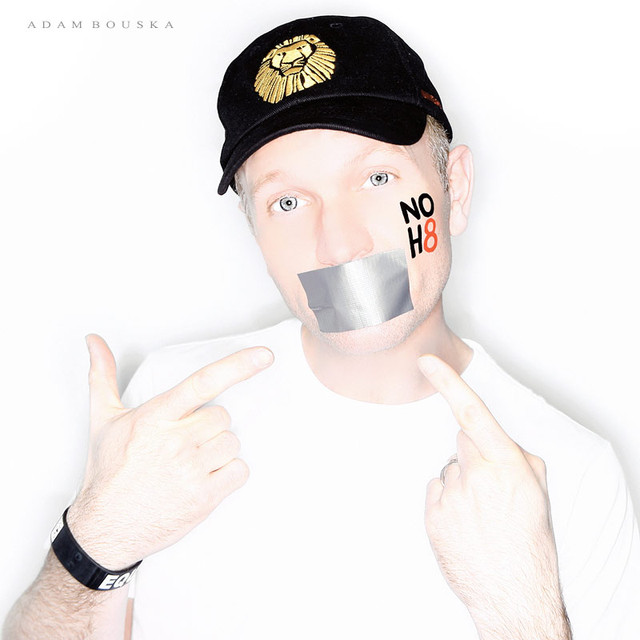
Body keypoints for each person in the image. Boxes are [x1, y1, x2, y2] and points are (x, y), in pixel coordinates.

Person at [4, 14, 640, 640]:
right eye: (287, 202)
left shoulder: (570, 471)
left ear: (456, 189)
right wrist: (95, 541)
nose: (339, 245)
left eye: (377, 178)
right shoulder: (171, 406)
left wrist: (521, 614)